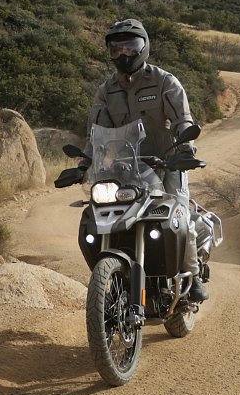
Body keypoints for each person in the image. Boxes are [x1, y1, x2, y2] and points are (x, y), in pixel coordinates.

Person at [86, 17, 208, 302]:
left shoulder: (165, 81)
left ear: (144, 47)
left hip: (168, 162)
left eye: (130, 46)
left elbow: (182, 119)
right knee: (103, 212)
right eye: (116, 48)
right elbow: (95, 133)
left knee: (179, 213)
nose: (123, 53)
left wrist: (185, 149)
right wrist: (85, 162)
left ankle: (193, 276)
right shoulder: (107, 91)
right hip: (127, 167)